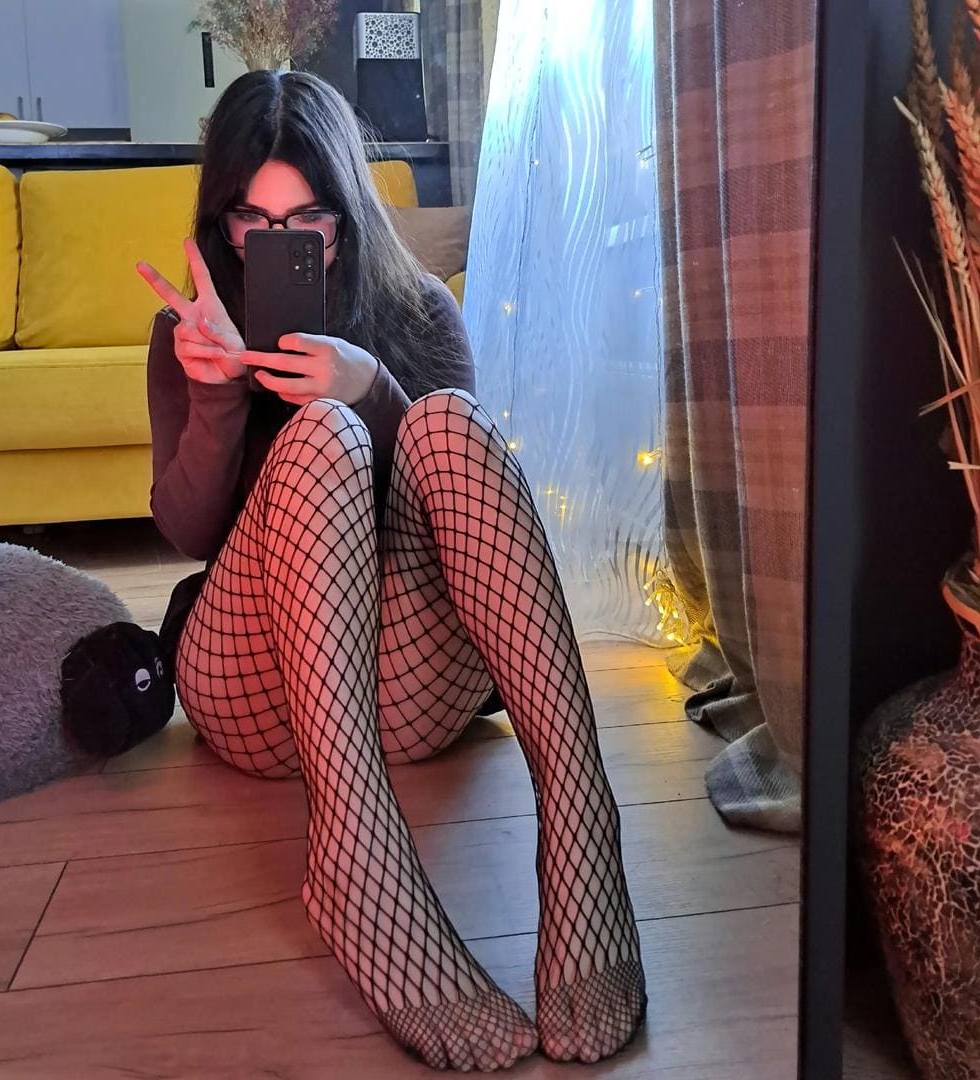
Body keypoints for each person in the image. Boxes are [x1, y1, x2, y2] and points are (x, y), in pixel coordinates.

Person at [137, 69, 645, 1071]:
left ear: (349, 210)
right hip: (255, 689)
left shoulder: (419, 313)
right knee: (318, 437)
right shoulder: (189, 332)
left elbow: (465, 520)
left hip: (408, 680)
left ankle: (583, 820)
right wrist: (219, 394)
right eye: (251, 220)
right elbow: (188, 533)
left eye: (308, 219)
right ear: (221, 220)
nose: (280, 243)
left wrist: (375, 388)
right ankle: (356, 853)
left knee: (446, 422)